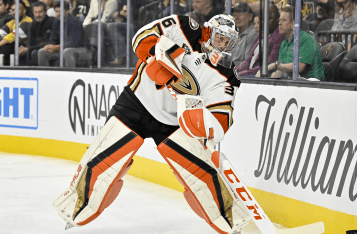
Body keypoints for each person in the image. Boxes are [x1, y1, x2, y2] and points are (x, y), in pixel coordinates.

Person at [52, 14, 263, 234]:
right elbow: (141, 38)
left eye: (228, 42)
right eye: (219, 38)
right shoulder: (184, 26)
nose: (222, 45)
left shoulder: (227, 76)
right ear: (208, 31)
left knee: (201, 175)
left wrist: (199, 120)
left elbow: (220, 121)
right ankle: (74, 211)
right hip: (135, 103)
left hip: (173, 123)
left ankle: (230, 221)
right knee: (103, 163)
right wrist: (158, 60)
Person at [268, 6, 325, 80]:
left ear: (293, 24)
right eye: (279, 20)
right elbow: (281, 70)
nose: (279, 23)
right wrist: (264, 77)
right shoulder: (284, 44)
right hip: (294, 84)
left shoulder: (307, 39)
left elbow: (298, 67)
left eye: (284, 20)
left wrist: (275, 65)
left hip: (312, 86)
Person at [38, 1, 92, 67]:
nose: (58, 14)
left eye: (60, 11)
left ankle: (70, 75)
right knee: (42, 52)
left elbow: (75, 43)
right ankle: (45, 75)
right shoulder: (56, 22)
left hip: (83, 49)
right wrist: (49, 46)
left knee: (67, 52)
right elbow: (52, 39)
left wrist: (57, 47)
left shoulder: (74, 22)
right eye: (56, 11)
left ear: (68, 11)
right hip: (63, 48)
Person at [238, 3, 284, 76]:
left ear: (278, 18)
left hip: (261, 75)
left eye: (269, 18)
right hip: (250, 72)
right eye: (263, 19)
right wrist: (236, 70)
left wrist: (245, 73)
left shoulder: (279, 36)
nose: (265, 22)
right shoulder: (262, 34)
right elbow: (250, 57)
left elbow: (269, 64)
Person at [0, 0, 32, 65]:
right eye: (13, 10)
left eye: (17, 10)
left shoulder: (28, 21)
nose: (14, 12)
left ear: (24, 11)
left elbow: (12, 36)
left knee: (8, 43)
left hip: (26, 46)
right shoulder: (13, 22)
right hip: (13, 47)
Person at [21, 1, 54, 65]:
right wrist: (26, 49)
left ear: (45, 11)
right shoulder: (32, 25)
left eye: (40, 12)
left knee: (35, 53)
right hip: (34, 48)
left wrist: (28, 49)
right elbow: (29, 42)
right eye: (36, 12)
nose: (38, 15)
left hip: (48, 48)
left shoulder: (52, 22)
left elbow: (46, 43)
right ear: (33, 13)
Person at [230, 2, 256, 66]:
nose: (236, 18)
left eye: (240, 13)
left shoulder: (253, 34)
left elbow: (247, 64)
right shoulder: (234, 34)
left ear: (250, 16)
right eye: (234, 15)